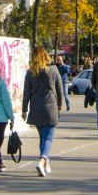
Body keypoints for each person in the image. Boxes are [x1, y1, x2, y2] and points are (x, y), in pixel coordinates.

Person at [22, 46, 64, 177]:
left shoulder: (31, 72)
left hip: (36, 106)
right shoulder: (53, 69)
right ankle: (41, 161)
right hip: (50, 105)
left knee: (42, 137)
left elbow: (26, 92)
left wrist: (24, 109)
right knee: (48, 138)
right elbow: (60, 88)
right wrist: (60, 104)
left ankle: (46, 163)